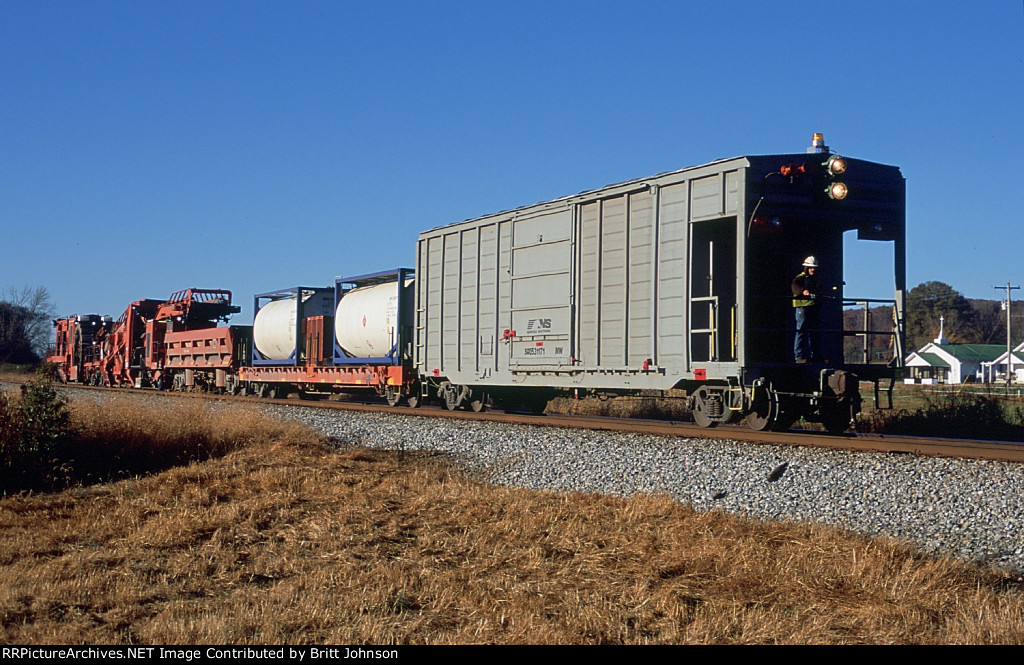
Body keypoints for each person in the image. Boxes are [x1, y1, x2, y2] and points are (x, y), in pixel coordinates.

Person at [791, 256, 820, 362]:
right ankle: (798, 356)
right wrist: (803, 291)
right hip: (802, 308)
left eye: (814, 268)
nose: (813, 269)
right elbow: (794, 287)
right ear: (806, 268)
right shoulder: (800, 278)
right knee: (801, 331)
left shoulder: (815, 279)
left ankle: (815, 355)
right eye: (811, 267)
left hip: (812, 307)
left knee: (813, 333)